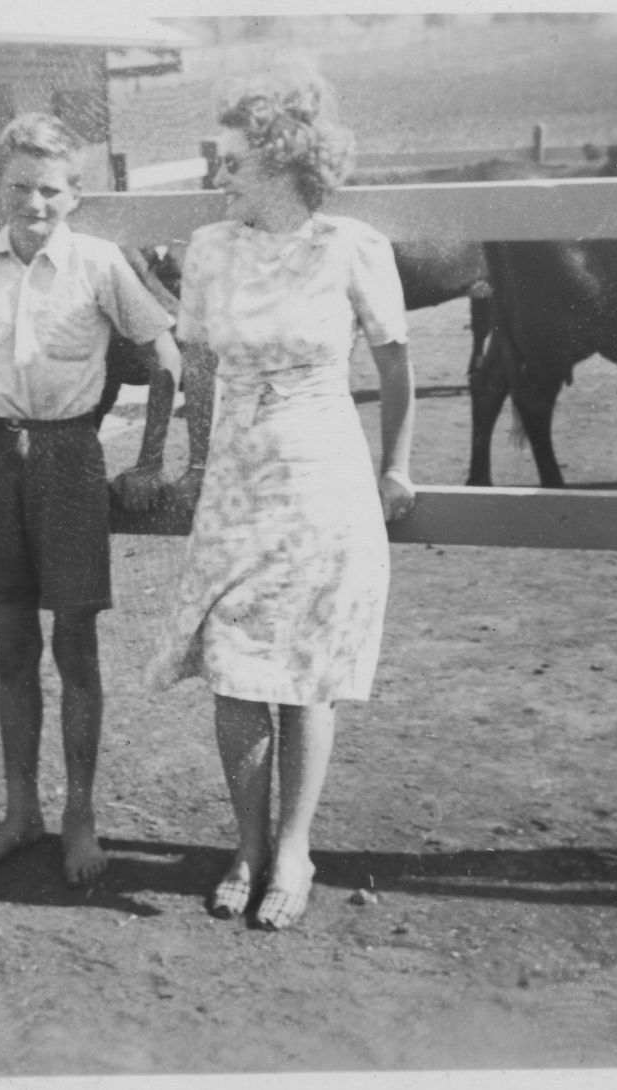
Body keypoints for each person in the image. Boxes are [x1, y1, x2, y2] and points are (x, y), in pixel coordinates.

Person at [145, 71, 417, 930]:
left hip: (322, 471)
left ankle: (293, 848)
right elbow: (198, 369)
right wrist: (193, 468)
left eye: (232, 161)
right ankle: (247, 844)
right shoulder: (210, 248)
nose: (219, 176)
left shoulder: (351, 246)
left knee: (306, 672)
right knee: (231, 666)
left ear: (283, 157)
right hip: (235, 477)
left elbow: (395, 362)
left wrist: (397, 465)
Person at [0, 113, 180, 887]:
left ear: (75, 194)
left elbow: (165, 359)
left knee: (75, 650)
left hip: (71, 458)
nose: (33, 203)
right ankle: (18, 811)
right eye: (18, 187)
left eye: (49, 189)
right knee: (10, 649)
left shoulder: (100, 263)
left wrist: (149, 461)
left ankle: (79, 818)